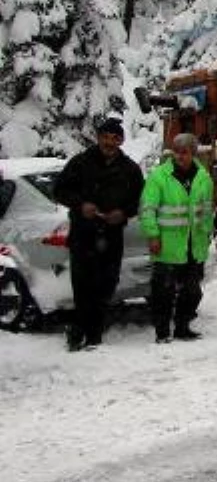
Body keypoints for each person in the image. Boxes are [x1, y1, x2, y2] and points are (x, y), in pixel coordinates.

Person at [52, 118, 144, 352]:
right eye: (105, 137)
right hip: (84, 234)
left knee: (106, 285)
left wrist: (123, 213)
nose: (109, 142)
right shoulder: (81, 163)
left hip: (112, 235)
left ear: (121, 140)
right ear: (98, 137)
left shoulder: (130, 169)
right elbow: (59, 190)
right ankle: (82, 333)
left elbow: (139, 201)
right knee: (83, 287)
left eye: (114, 138)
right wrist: (81, 205)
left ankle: (93, 330)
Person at [140, 133, 215, 343]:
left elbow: (207, 208)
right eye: (177, 152)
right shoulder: (159, 176)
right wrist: (153, 235)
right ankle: (162, 332)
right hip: (167, 245)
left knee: (193, 292)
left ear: (193, 153)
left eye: (185, 152)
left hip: (194, 244)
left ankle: (182, 327)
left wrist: (207, 232)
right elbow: (147, 209)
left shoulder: (203, 176)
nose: (180, 156)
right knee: (163, 292)